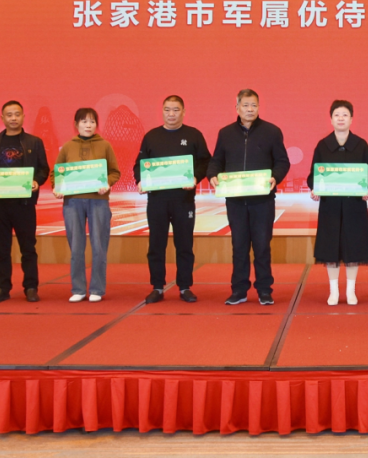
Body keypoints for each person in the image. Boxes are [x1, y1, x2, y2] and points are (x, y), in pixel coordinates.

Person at [207, 89, 290, 306]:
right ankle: (239, 290)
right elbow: (216, 161)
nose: (250, 109)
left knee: (262, 246)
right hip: (235, 201)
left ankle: (264, 290)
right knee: (239, 246)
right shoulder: (225, 133)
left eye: (254, 105)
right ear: (237, 108)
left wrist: (275, 177)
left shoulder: (272, 132)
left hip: (262, 201)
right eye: (245, 105)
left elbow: (282, 161)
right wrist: (212, 175)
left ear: (259, 107)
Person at [134, 95, 211, 304]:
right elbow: (140, 164)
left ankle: (185, 287)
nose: (171, 114)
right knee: (156, 245)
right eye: (167, 109)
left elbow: (206, 162)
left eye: (176, 110)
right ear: (162, 111)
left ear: (183, 112)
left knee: (184, 245)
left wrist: (195, 177)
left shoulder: (193, 135)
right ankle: (157, 287)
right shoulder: (151, 136)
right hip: (157, 200)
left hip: (183, 200)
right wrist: (140, 180)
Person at [0, 100, 50, 303]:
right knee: (1, 249)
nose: (13, 118)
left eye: (17, 114)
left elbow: (44, 168)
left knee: (28, 248)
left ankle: (31, 287)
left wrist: (37, 181)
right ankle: (2, 288)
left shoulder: (34, 142)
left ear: (23, 117)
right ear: (2, 118)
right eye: (9, 115)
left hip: (24, 204)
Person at [308, 100, 368, 306]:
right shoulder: (323, 145)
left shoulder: (361, 144)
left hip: (354, 206)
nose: (341, 118)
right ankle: (333, 291)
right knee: (331, 247)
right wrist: (315, 189)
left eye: (345, 115)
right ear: (331, 119)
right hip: (330, 206)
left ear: (351, 119)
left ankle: (350, 291)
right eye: (337, 115)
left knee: (353, 247)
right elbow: (314, 175)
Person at [54, 108, 121, 303]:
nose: (88, 125)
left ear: (96, 125)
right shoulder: (68, 147)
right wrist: (57, 187)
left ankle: (97, 289)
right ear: (76, 124)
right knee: (76, 247)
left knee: (99, 246)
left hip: (98, 201)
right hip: (72, 202)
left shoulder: (105, 145)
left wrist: (107, 183)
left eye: (92, 121)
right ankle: (78, 289)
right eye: (84, 121)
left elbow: (115, 172)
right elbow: (57, 173)